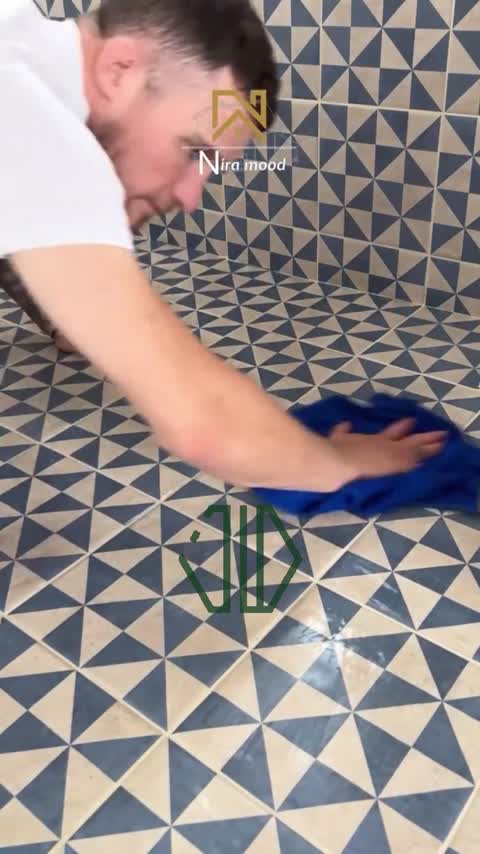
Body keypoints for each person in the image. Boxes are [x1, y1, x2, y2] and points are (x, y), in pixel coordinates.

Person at [0, 0, 446, 495]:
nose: (191, 197)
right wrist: (342, 463)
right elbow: (204, 426)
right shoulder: (29, 115)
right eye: (193, 151)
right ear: (119, 69)